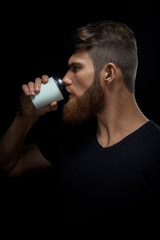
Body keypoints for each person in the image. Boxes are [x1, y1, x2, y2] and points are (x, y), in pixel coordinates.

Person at [0, 20, 160, 217]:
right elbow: (9, 166)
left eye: (75, 68)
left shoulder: (156, 150)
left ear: (108, 73)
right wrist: (25, 117)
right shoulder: (69, 139)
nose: (65, 79)